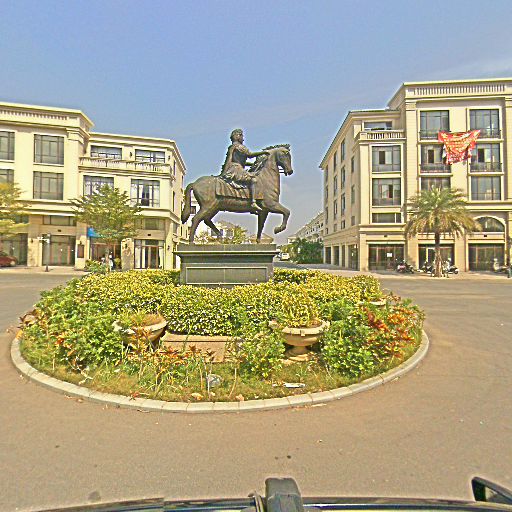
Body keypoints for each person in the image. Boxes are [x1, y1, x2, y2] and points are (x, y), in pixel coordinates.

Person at [220, 129, 269, 212]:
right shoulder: (239, 146)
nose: (243, 139)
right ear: (238, 136)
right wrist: (263, 152)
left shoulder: (232, 147)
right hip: (236, 169)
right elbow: (250, 155)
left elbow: (239, 161)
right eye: (242, 136)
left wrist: (251, 164)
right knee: (254, 180)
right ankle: (253, 202)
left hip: (235, 167)